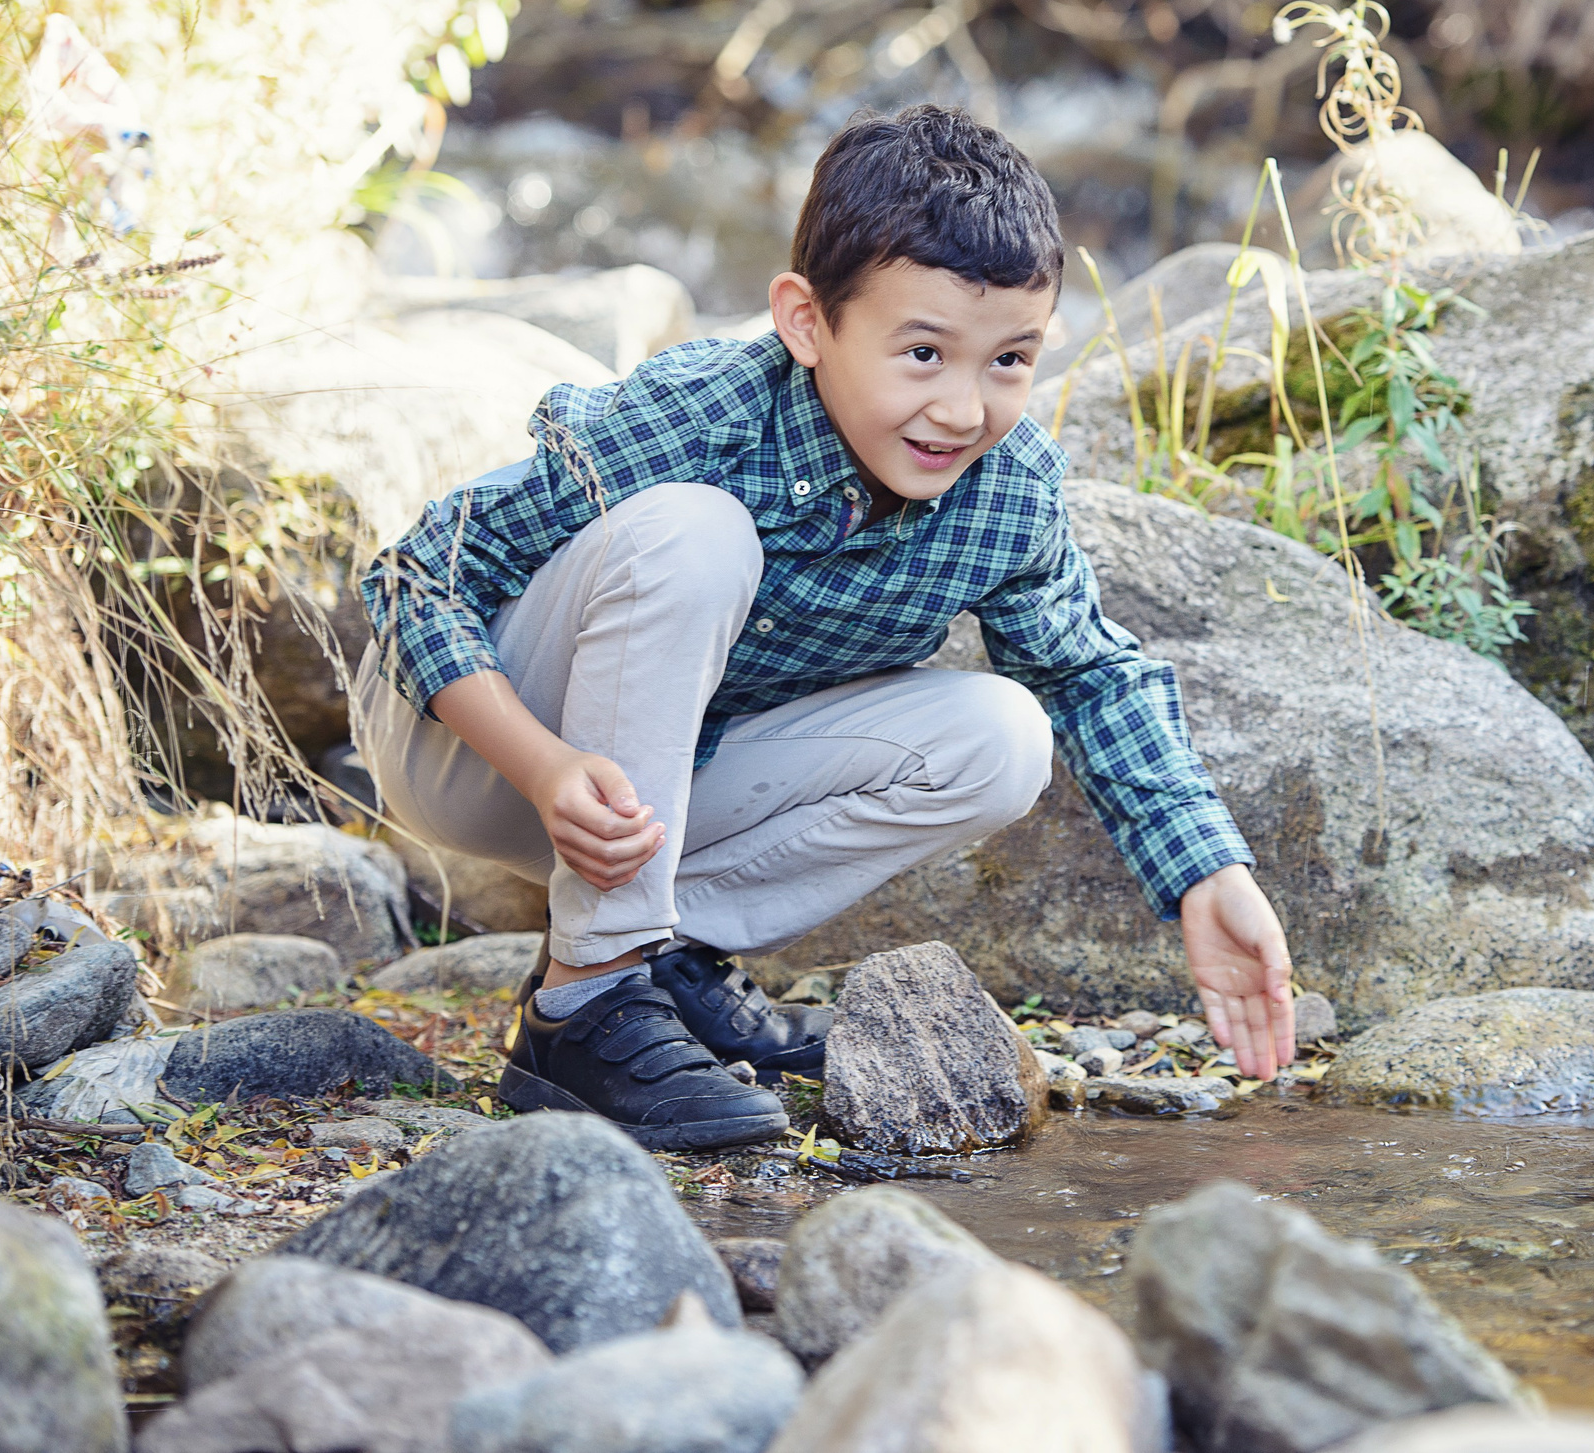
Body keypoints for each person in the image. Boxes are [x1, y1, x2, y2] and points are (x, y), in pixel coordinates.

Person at [353, 104, 1297, 1150]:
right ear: (806, 321)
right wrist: (539, 764)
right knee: (694, 532)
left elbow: (1089, 677)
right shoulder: (705, 411)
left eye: (1009, 360)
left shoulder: (1006, 491)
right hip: (468, 746)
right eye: (924, 351)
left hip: (652, 796)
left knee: (1004, 735)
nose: (963, 408)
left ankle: (666, 957)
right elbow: (416, 578)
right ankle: (584, 1007)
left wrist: (1209, 876)